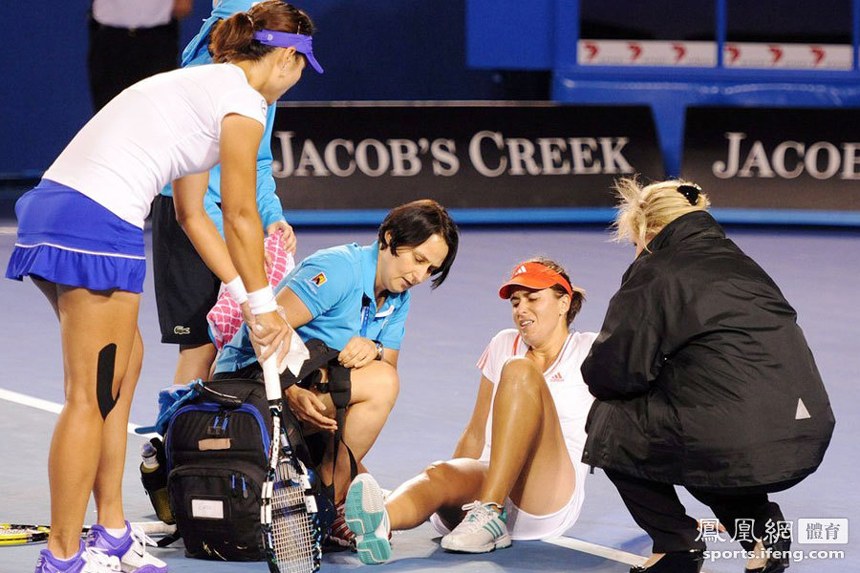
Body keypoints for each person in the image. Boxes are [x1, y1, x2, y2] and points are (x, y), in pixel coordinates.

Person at [5, 3, 321, 571]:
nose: (296, 81)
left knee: (122, 371)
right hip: (94, 220)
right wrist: (264, 304)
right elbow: (243, 213)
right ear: (285, 57)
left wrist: (238, 294)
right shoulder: (245, 102)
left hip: (60, 209)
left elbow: (193, 213)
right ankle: (62, 556)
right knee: (89, 394)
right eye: (301, 67)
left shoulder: (202, 87)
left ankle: (112, 532)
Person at [580, 178, 835, 573]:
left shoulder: (655, 268)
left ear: (648, 230)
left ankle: (675, 544)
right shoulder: (742, 261)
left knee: (613, 421)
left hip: (734, 433)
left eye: (633, 241)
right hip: (801, 427)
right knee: (702, 434)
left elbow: (615, 369)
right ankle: (764, 533)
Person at [213, 199, 459, 547]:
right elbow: (264, 331)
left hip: (310, 392)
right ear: (389, 238)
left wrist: (372, 348)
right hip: (250, 383)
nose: (420, 276)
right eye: (418, 259)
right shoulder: (338, 270)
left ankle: (324, 499)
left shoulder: (397, 297)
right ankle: (326, 505)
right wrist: (288, 390)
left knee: (362, 483)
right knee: (364, 438)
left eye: (431, 269)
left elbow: (385, 368)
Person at [342, 258, 597, 565]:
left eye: (533, 298)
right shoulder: (503, 343)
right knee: (439, 473)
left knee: (519, 370)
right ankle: (379, 522)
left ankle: (490, 511)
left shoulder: (591, 351)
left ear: (564, 303)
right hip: (490, 479)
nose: (521, 310)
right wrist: (448, 486)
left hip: (547, 495)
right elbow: (477, 431)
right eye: (516, 302)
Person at [152, 0, 297, 387]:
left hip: (224, 214)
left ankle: (214, 442)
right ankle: (173, 443)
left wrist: (272, 216)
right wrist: (242, 261)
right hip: (189, 211)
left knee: (238, 342)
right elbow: (194, 207)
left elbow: (259, 160)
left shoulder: (263, 74)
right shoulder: (208, 69)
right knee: (201, 347)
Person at [88, 0, 194, 112]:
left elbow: (183, 8)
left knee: (158, 114)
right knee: (108, 116)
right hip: (109, 41)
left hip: (157, 41)